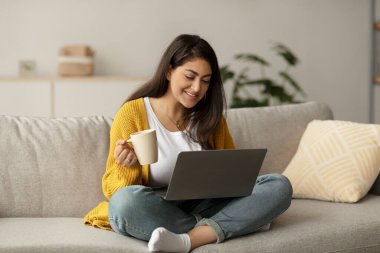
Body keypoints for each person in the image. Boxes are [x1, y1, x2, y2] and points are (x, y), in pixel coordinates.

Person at [84, 34, 293, 252]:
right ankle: (229, 225)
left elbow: (233, 177)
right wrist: (126, 166)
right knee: (123, 203)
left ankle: (189, 239)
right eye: (190, 76)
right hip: (160, 207)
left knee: (279, 185)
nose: (196, 88)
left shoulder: (211, 118)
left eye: (205, 80)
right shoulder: (133, 113)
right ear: (168, 71)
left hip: (209, 204)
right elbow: (115, 192)